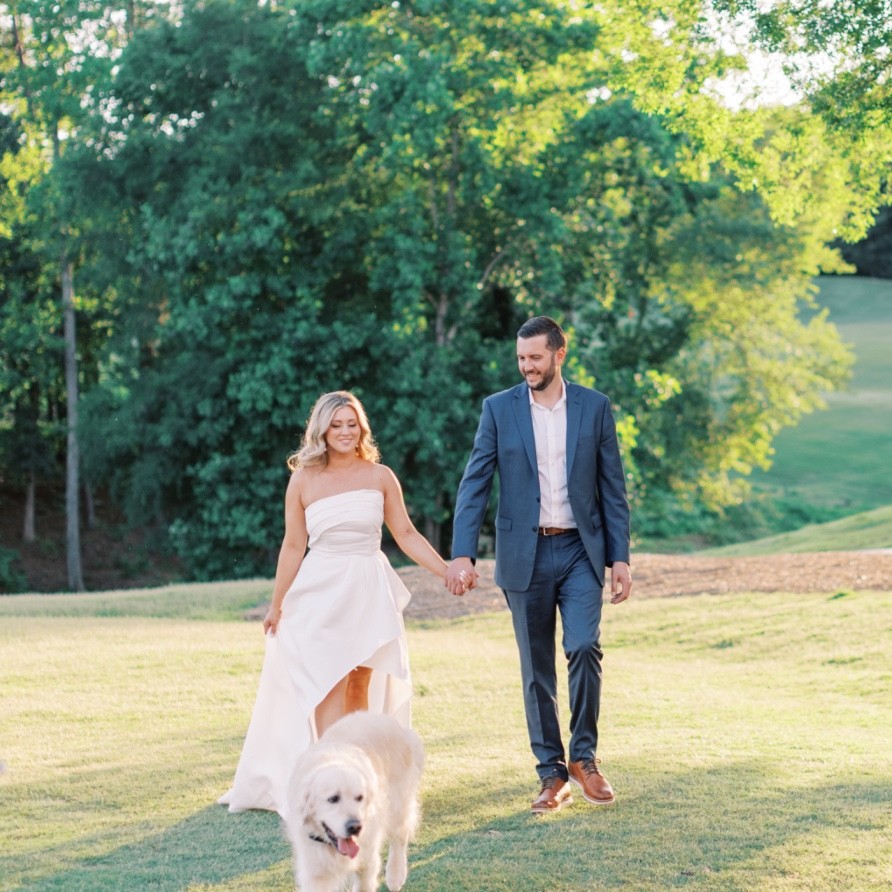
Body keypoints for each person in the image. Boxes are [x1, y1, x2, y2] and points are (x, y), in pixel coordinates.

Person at [219, 390, 459, 818]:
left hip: (368, 588)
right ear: (322, 430)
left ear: (361, 429)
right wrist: (276, 603)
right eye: (337, 425)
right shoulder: (303, 481)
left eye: (352, 424)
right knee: (328, 681)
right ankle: (329, 777)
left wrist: (445, 572)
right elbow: (294, 545)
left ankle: (358, 778)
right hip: (321, 592)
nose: (345, 432)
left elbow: (405, 533)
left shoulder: (381, 476)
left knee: (360, 682)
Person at [445, 316, 632, 814]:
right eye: (521, 358)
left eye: (535, 357)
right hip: (522, 554)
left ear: (559, 354)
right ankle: (552, 773)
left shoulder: (594, 407)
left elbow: (612, 487)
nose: (526, 366)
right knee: (536, 667)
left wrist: (620, 557)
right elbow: (475, 482)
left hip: (580, 551)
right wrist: (462, 552)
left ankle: (584, 759)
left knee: (584, 646)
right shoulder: (498, 409)